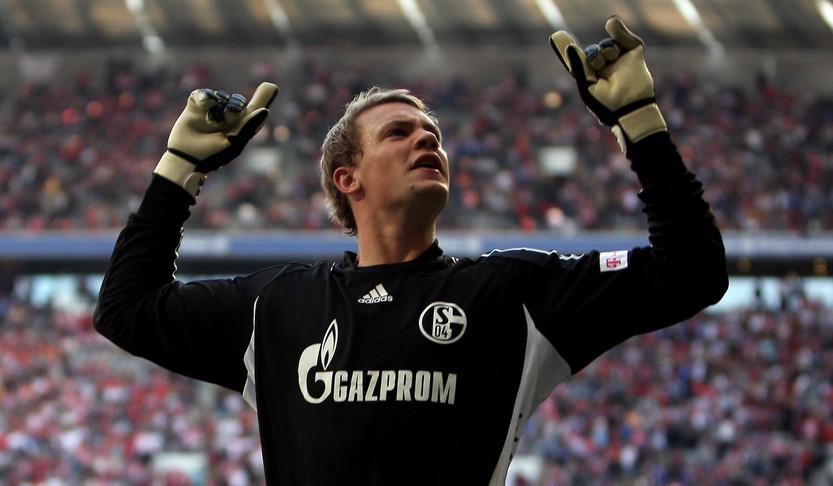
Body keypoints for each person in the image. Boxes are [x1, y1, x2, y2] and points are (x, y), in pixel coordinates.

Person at [94, 16, 728, 485]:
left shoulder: (513, 294)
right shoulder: (278, 307)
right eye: (399, 133)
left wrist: (640, 123)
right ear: (349, 179)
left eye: (433, 134)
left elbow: (692, 271)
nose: (427, 141)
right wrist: (178, 169)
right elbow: (125, 309)